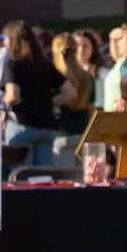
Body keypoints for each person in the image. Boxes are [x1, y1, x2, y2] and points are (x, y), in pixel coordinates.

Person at [0, 20, 69, 167]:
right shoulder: (45, 64)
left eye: (5, 38)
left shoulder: (12, 63)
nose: (4, 41)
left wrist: (3, 104)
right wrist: (50, 103)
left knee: (17, 175)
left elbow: (12, 96)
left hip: (23, 123)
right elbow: (70, 92)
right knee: (43, 176)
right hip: (46, 126)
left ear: (13, 40)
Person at [50, 31, 95, 160]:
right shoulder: (87, 78)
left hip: (61, 134)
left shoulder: (55, 78)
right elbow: (91, 110)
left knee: (63, 179)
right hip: (82, 136)